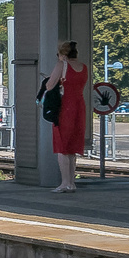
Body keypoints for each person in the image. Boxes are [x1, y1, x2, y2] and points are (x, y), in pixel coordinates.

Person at [46, 40, 89, 193]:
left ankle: (64, 183)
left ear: (63, 54)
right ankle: (72, 182)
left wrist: (59, 65)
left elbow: (50, 85)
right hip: (79, 107)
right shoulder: (84, 67)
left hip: (64, 108)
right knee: (72, 148)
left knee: (62, 146)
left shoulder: (61, 65)